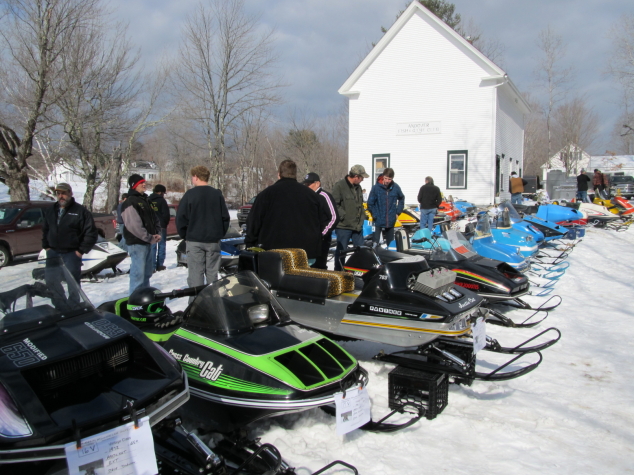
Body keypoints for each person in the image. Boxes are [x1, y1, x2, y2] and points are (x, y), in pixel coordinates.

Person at [246, 160, 328, 265]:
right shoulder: (312, 196)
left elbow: (253, 222)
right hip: (306, 253)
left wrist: (250, 243)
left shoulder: (266, 195)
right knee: (303, 280)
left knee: (275, 281)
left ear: (279, 174)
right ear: (295, 174)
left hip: (274, 253)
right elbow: (323, 221)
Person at [177, 166, 230, 298]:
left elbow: (181, 218)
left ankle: (196, 306)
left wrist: (185, 235)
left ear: (195, 177)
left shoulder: (190, 194)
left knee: (196, 276)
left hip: (194, 240)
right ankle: (214, 304)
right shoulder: (217, 194)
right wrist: (219, 234)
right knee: (213, 275)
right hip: (213, 240)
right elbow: (225, 217)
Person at [42, 182, 98, 305]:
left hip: (71, 254)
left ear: (70, 193)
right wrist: (46, 247)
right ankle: (60, 305)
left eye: (64, 193)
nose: (61, 196)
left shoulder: (80, 211)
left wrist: (80, 251)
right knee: (51, 281)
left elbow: (91, 233)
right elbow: (45, 229)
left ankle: (74, 307)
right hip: (53, 253)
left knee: (73, 283)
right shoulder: (51, 210)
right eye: (58, 193)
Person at [121, 174, 162, 295]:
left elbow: (155, 219)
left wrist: (157, 232)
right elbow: (134, 226)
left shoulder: (146, 200)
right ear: (134, 185)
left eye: (144, 182)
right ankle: (135, 299)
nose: (144, 184)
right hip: (137, 243)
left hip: (148, 242)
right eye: (141, 183)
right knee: (138, 274)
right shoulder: (130, 202)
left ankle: (144, 297)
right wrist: (149, 237)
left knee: (147, 273)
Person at [332, 165, 369, 271]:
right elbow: (334, 204)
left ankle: (359, 271)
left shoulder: (358, 188)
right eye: (362, 178)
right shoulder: (339, 186)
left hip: (357, 226)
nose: (362, 180)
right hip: (344, 226)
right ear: (356, 176)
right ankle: (339, 273)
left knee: (361, 251)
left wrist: (362, 216)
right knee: (341, 251)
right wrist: (344, 216)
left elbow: (360, 204)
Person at [303, 172, 339, 269]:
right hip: (308, 239)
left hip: (321, 239)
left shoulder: (324, 196)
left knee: (319, 266)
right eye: (305, 184)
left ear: (317, 183)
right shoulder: (306, 196)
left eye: (309, 184)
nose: (307, 186)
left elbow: (334, 217)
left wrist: (322, 234)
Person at [367, 168, 405, 246]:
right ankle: (376, 255)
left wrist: (398, 212)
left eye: (389, 179)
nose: (387, 181)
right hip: (378, 220)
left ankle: (389, 257)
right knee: (375, 243)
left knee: (390, 243)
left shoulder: (395, 187)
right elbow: (370, 203)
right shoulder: (376, 188)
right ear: (383, 177)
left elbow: (401, 198)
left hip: (390, 220)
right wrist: (375, 214)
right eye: (386, 178)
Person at [148, 184, 170, 271]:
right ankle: (159, 264)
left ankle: (152, 266)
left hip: (150, 226)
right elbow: (166, 214)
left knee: (152, 246)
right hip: (160, 226)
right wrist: (164, 224)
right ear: (160, 192)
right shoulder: (162, 201)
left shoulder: (148, 200)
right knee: (161, 246)